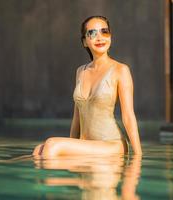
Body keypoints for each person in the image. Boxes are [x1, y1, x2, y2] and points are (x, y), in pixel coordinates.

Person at [32, 16, 142, 157]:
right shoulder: (80, 71)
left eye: (104, 32)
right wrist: (70, 146)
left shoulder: (120, 70)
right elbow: (76, 118)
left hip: (111, 144)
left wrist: (138, 157)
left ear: (110, 37)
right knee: (38, 151)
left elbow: (128, 116)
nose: (99, 37)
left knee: (52, 145)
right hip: (88, 144)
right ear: (85, 41)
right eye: (92, 33)